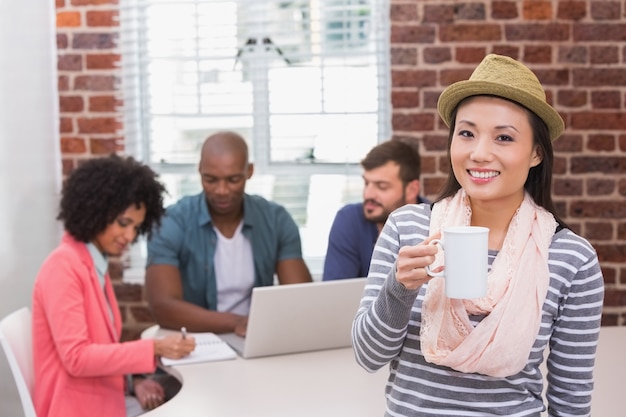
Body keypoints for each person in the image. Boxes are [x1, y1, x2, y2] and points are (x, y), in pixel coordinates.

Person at [352, 54, 605, 416]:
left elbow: (571, 397)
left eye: (503, 137)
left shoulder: (571, 259)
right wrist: (399, 288)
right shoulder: (407, 228)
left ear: (536, 152)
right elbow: (367, 357)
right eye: (466, 133)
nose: (479, 153)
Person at [32, 154, 196, 417]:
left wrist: (135, 382)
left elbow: (100, 350)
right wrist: (154, 347)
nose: (129, 236)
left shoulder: (93, 264)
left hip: (102, 396)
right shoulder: (63, 267)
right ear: (96, 210)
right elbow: (77, 358)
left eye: (136, 227)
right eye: (124, 223)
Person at [145, 131, 312, 336]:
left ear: (249, 172)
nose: (221, 190)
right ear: (199, 171)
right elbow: (163, 307)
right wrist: (236, 322)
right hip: (196, 337)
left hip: (253, 335)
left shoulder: (275, 220)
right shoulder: (172, 222)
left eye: (233, 180)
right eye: (211, 180)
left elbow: (300, 297)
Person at [323, 139, 429, 281]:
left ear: (411, 190)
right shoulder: (349, 220)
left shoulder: (437, 221)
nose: (368, 194)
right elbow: (335, 297)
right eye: (366, 183)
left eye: (381, 186)